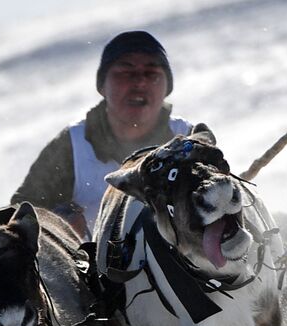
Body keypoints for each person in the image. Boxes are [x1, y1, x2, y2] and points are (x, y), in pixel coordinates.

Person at [11, 31, 191, 238]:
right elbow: (19, 215)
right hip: (90, 268)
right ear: (102, 86)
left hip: (179, 267)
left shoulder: (188, 141)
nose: (139, 83)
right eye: (126, 72)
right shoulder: (72, 148)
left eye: (151, 74)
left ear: (167, 87)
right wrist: (58, 226)